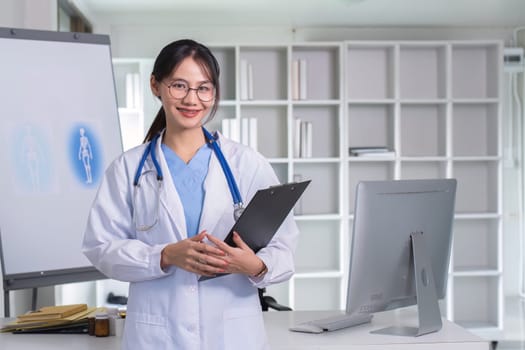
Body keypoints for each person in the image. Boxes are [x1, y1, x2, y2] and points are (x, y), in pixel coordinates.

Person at [82, 39, 299, 350]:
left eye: (203, 88)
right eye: (179, 86)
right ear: (156, 85)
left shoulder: (246, 164)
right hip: (157, 336)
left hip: (233, 334)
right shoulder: (127, 169)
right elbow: (100, 247)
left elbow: (285, 247)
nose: (192, 99)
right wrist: (165, 255)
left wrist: (255, 266)